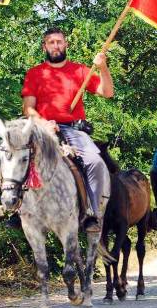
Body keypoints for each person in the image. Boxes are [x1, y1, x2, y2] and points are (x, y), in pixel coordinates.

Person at [17, 27, 114, 233]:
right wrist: (43, 123)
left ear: (66, 45)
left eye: (59, 42)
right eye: (51, 42)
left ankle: (92, 213)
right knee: (17, 155)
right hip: (42, 130)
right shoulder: (35, 73)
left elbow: (107, 92)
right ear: (44, 46)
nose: (55, 46)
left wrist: (103, 67)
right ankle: (17, 209)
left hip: (73, 130)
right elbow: (28, 108)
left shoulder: (80, 71)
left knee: (95, 162)